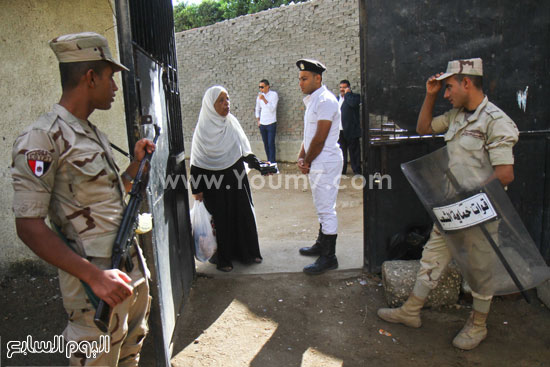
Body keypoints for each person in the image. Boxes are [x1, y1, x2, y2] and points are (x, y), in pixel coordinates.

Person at [11, 32, 156, 365]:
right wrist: (94, 276)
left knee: (129, 356)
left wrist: (134, 166)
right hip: (94, 291)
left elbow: (103, 194)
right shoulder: (42, 138)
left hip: (127, 273)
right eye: (111, 78)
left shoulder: (92, 132)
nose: (116, 88)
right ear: (91, 77)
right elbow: (28, 226)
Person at [377, 58, 519, 350]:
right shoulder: (456, 117)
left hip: (479, 211)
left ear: (467, 83)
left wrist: (469, 197)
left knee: (480, 268)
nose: (446, 94)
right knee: (432, 257)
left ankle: (478, 325)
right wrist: (429, 95)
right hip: (451, 209)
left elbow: (505, 173)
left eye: (449, 87)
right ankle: (411, 311)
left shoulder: (496, 121)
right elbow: (424, 126)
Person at [190, 86, 265, 272]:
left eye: (228, 99)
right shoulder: (203, 130)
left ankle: (249, 252)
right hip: (213, 182)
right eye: (221, 101)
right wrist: (196, 189)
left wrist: (259, 165)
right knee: (221, 218)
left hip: (236, 176)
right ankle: (224, 259)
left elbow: (243, 150)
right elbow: (197, 162)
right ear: (210, 105)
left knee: (243, 212)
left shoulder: (231, 123)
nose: (226, 104)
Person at [295, 59, 344, 275]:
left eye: (304, 79)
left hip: (325, 160)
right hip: (319, 160)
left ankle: (329, 257)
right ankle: (321, 245)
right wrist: (301, 155)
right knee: (321, 206)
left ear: (318, 78)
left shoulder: (326, 100)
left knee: (326, 209)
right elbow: (310, 135)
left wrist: (307, 160)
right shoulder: (313, 100)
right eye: (299, 79)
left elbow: (321, 137)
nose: (301, 83)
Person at [337, 80, 362, 175]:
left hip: (351, 130)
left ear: (349, 88)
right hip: (340, 131)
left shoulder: (355, 97)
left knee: (354, 152)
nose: (342, 89)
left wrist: (347, 94)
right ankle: (342, 170)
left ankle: (357, 170)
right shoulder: (337, 99)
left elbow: (353, 104)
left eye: (344, 87)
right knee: (341, 152)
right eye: (340, 87)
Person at [255, 79, 279, 163]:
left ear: (267, 86)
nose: (261, 89)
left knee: (270, 143)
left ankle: (272, 162)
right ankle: (269, 161)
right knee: (265, 144)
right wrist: (258, 120)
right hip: (262, 123)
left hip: (271, 123)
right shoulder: (259, 96)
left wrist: (264, 99)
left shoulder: (273, 95)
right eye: (259, 87)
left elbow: (272, 109)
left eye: (262, 87)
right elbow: (257, 109)